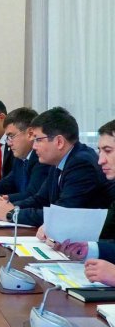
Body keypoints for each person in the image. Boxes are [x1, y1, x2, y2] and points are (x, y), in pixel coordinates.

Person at [0, 107, 108, 226]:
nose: (34, 146)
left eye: (38, 140)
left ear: (59, 142)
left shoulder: (81, 164)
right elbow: (40, 199)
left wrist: (12, 214)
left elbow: (61, 215)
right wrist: (3, 208)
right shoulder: (59, 160)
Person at [44, 119, 115, 285]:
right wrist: (88, 249)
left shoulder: (81, 161)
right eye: (100, 151)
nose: (100, 160)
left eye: (108, 151)